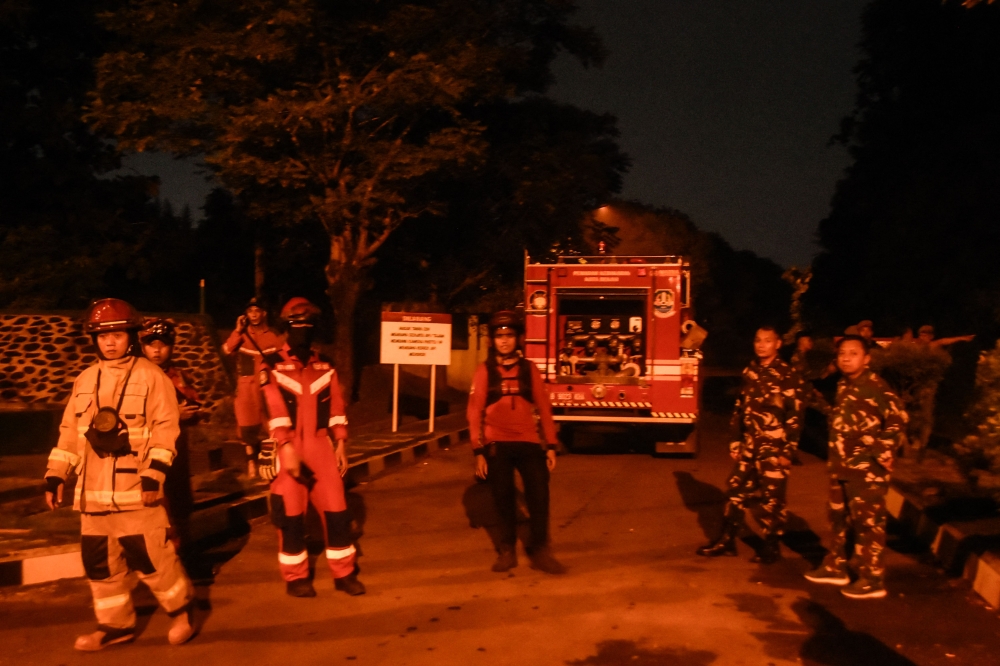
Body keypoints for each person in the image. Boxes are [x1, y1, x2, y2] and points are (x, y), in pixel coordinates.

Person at [44, 299, 194, 651]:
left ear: (130, 335)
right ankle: (115, 626)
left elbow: (165, 429)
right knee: (101, 565)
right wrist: (55, 475)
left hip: (136, 489)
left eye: (117, 334)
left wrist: (153, 474)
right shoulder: (85, 379)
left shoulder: (151, 377)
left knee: (153, 559)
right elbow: (70, 433)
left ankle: (181, 612)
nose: (110, 342)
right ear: (94, 339)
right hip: (92, 498)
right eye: (103, 335)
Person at [257, 297, 364, 598]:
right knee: (290, 515)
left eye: (308, 324)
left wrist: (341, 442)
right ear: (286, 327)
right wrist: (285, 446)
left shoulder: (325, 366)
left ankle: (344, 573)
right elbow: (273, 406)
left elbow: (337, 406)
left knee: (338, 511)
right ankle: (295, 577)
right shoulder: (271, 365)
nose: (303, 328)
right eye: (296, 323)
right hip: (289, 448)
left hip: (321, 446)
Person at [804, 335, 908, 599]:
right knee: (838, 520)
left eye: (853, 353)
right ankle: (836, 566)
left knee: (868, 523)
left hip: (866, 470)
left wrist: (882, 451)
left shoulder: (875, 386)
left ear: (867, 359)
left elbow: (898, 419)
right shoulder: (845, 385)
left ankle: (872, 578)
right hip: (841, 466)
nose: (846, 358)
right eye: (842, 354)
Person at [467, 310, 566, 574]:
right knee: (503, 497)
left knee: (539, 495)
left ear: (518, 339)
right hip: (497, 443)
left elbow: (544, 407)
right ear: (492, 340)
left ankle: (540, 549)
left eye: (509, 335)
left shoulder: (529, 370)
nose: (504, 341)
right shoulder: (484, 371)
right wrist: (478, 451)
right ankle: (507, 549)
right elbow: (474, 412)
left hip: (529, 442)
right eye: (499, 336)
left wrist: (551, 445)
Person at [697, 326, 803, 564]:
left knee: (772, 498)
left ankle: (771, 545)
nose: (761, 344)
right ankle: (727, 540)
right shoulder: (751, 370)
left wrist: (788, 450)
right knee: (735, 490)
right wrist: (735, 439)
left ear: (778, 344)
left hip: (774, 447)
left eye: (767, 340)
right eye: (758, 340)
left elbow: (795, 415)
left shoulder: (788, 375)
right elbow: (740, 407)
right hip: (750, 445)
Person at [140, 318, 199, 553]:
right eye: (151, 344)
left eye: (163, 344)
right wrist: (175, 413)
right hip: (146, 455)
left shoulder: (179, 377)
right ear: (142, 346)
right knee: (155, 509)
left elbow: (194, 407)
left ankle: (182, 559)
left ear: (171, 346)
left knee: (180, 507)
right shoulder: (135, 377)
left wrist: (189, 413)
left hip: (177, 454)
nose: (157, 350)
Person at [222, 298, 284, 477]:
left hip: (267, 386)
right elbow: (226, 351)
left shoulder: (272, 337)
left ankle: (271, 459)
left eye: (257, 311)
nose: (254, 315)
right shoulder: (241, 335)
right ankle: (251, 462)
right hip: (246, 386)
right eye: (250, 311)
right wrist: (237, 330)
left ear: (264, 313)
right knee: (246, 424)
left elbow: (282, 362)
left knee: (270, 423)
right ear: (246, 315)